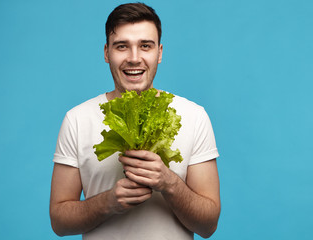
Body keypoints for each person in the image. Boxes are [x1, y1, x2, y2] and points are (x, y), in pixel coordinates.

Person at [50, 3, 220, 239]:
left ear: (159, 53)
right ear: (106, 52)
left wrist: (169, 183)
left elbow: (208, 225)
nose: (134, 58)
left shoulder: (194, 116)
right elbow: (59, 222)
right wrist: (108, 202)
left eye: (145, 46)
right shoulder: (77, 119)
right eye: (122, 46)